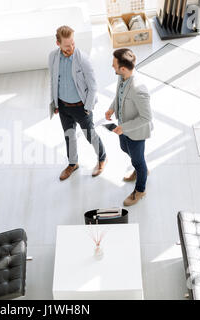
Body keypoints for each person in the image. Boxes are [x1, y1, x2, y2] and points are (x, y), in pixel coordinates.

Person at [48, 25, 107, 181]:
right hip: (63, 106)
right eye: (67, 45)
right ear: (58, 44)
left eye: (73, 43)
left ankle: (102, 158)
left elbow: (93, 86)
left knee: (90, 135)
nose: (71, 47)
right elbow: (54, 81)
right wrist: (54, 103)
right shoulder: (53, 57)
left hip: (81, 107)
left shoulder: (83, 58)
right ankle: (73, 163)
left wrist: (87, 108)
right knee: (69, 136)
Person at [105, 48, 153, 206]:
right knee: (125, 148)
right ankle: (141, 169)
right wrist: (112, 108)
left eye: (114, 65)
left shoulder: (139, 89)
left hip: (135, 132)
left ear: (123, 68)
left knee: (138, 161)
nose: (112, 67)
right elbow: (118, 95)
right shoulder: (122, 76)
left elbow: (146, 117)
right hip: (123, 127)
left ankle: (140, 189)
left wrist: (124, 128)